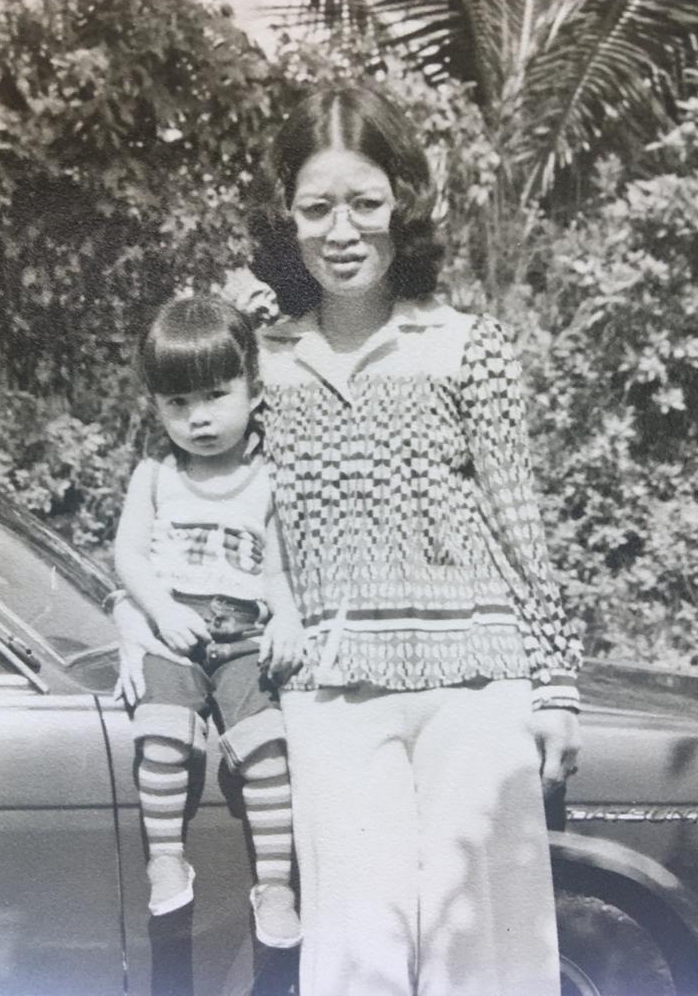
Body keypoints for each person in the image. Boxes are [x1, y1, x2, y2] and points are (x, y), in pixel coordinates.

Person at [246, 84, 583, 996]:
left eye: (365, 201)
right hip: (335, 693)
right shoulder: (260, 359)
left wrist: (554, 684)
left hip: (476, 687)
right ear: (287, 218)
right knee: (356, 960)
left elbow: (517, 520)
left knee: (492, 964)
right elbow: (221, 506)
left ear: (402, 201)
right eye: (317, 208)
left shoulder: (470, 347)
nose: (342, 231)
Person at [113, 295, 304, 949]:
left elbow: (278, 572)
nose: (197, 419)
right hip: (177, 628)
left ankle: (274, 886)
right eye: (177, 403)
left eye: (214, 396)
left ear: (254, 391)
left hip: (245, 637)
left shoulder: (268, 480)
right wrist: (161, 613)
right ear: (159, 407)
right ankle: (166, 860)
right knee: (160, 738)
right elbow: (129, 556)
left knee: (268, 753)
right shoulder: (157, 477)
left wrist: (288, 618)